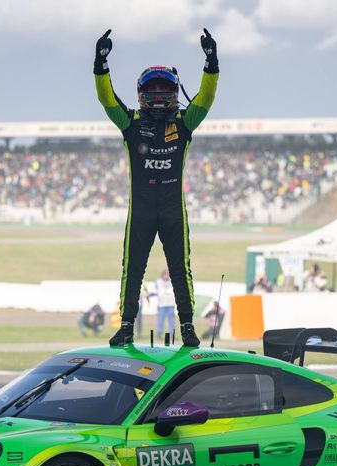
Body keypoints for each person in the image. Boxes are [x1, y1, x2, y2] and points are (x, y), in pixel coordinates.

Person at [95, 28, 219, 347]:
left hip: (173, 212)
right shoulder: (131, 123)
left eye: (165, 88)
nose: (160, 94)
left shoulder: (184, 122)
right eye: (154, 89)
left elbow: (205, 99)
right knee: (132, 269)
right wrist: (100, 66)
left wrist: (211, 64)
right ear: (142, 93)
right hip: (142, 212)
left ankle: (188, 328)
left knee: (181, 269)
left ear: (175, 92)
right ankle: (126, 326)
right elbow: (107, 100)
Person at [154, 269, 177, 341]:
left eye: (168, 274)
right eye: (165, 274)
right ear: (162, 275)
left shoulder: (172, 281)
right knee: (160, 320)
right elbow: (155, 290)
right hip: (162, 305)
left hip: (171, 304)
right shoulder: (158, 282)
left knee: (171, 321)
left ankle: (172, 335)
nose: (166, 276)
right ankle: (159, 334)